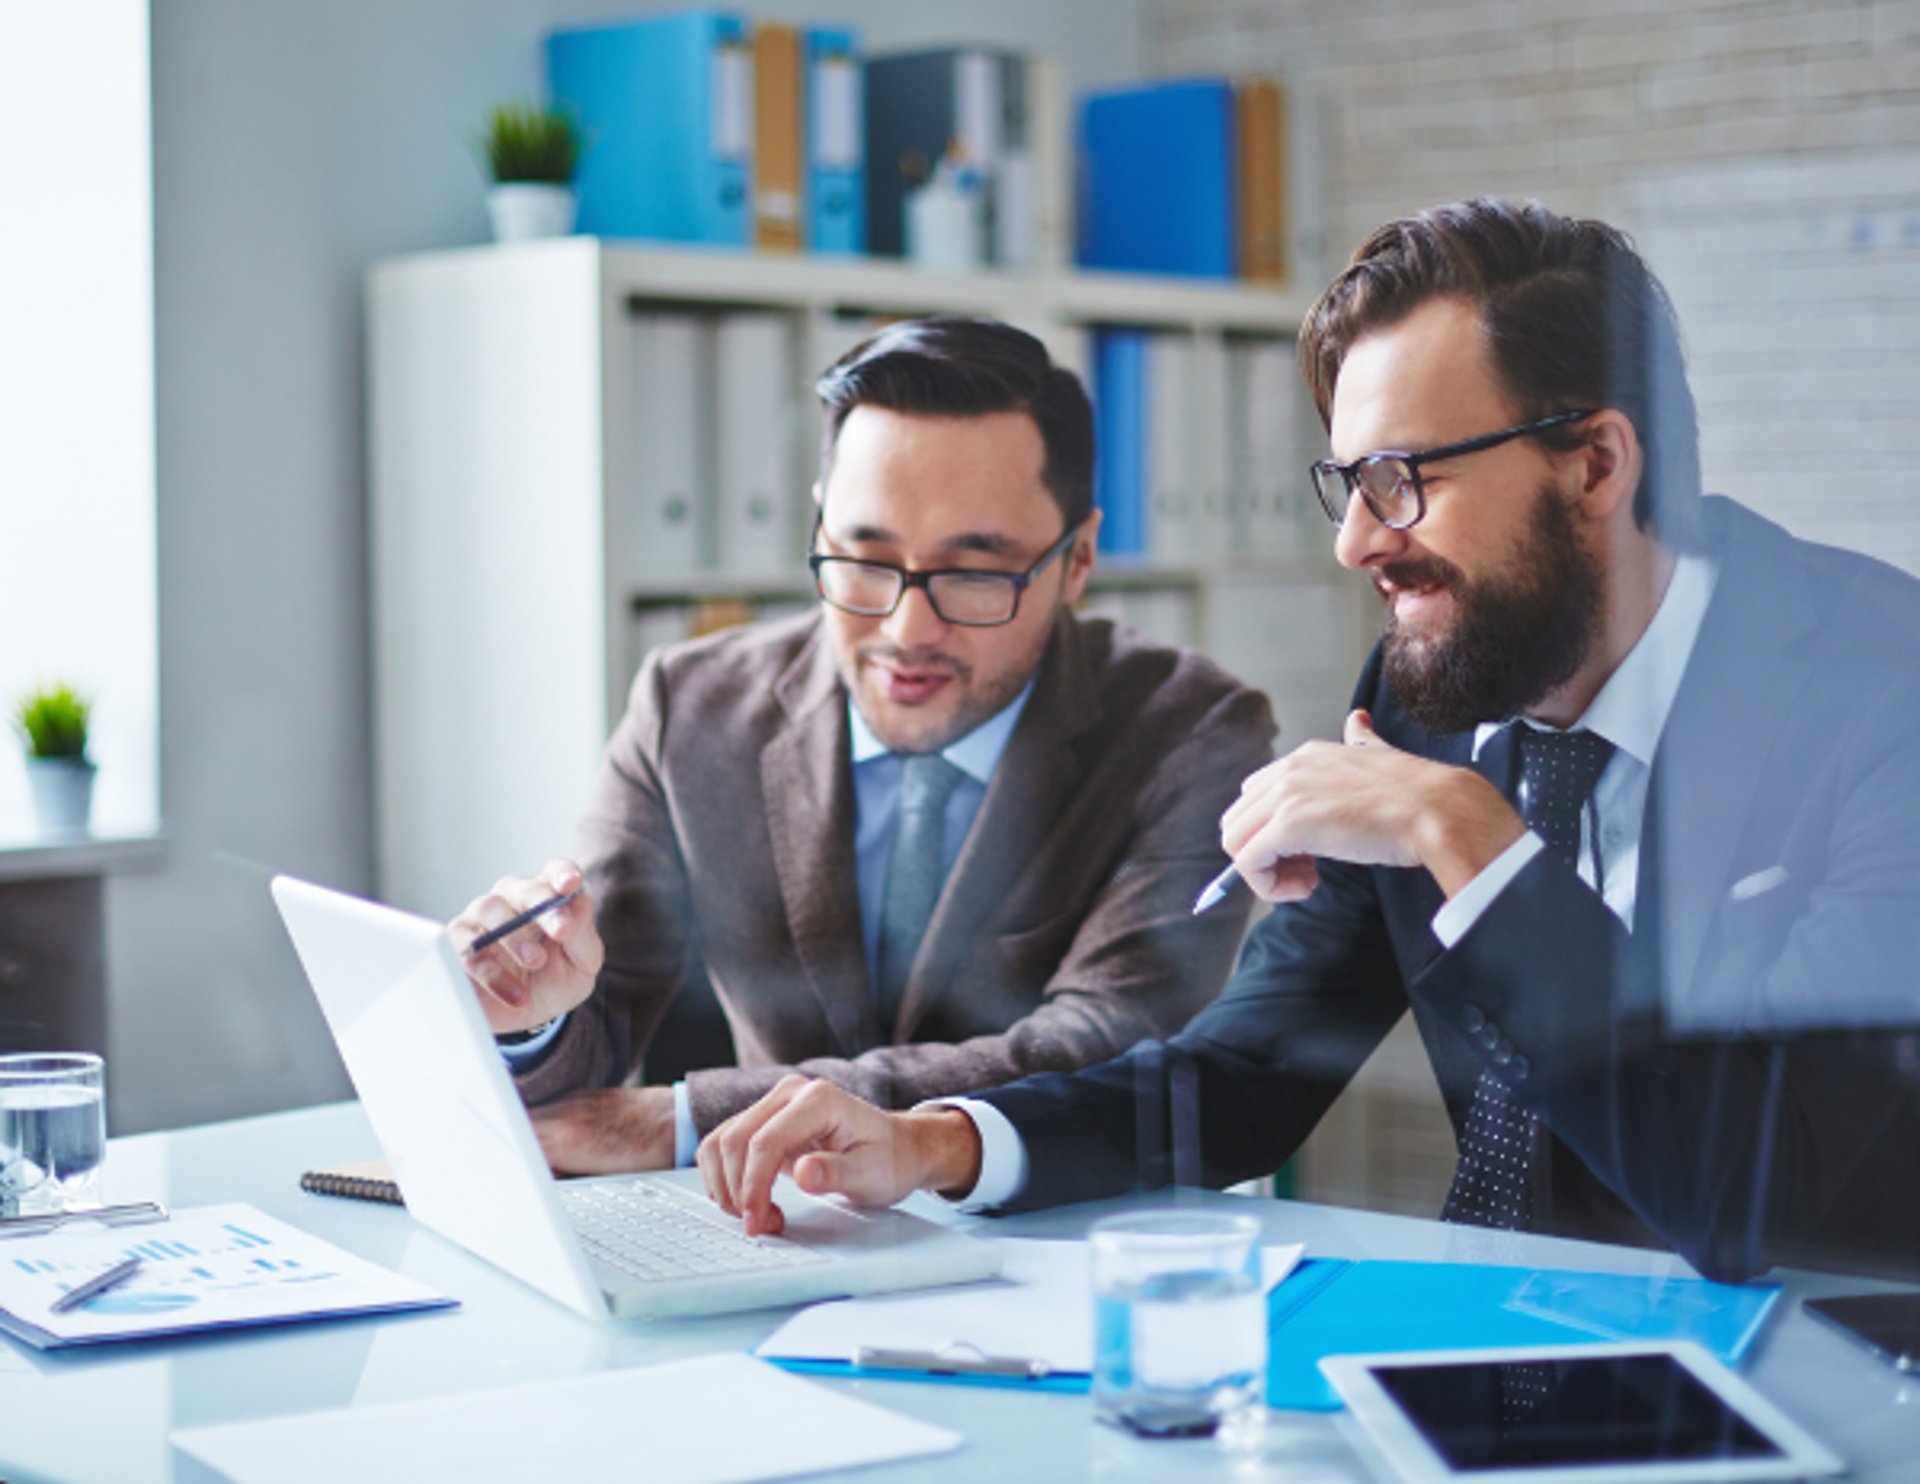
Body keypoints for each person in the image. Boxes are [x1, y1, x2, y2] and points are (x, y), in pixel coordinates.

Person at [698, 199, 1920, 1283]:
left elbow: (1755, 1190)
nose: (1358, 545)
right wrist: (939, 1141)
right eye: (1348, 486)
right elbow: (1242, 1074)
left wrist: (1470, 838)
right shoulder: (1423, 694)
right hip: (1510, 1349)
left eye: (1403, 478)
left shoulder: (1882, 692)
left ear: (1594, 462)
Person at [455, 317, 1277, 1175]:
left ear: (1078, 560)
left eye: (973, 573)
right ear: (818, 529)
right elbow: (598, 1016)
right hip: (770, 1234)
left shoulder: (1192, 732)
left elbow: (1106, 1046)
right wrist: (527, 1008)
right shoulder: (688, 709)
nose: (905, 629)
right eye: (864, 559)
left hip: (1057, 1241)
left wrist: (687, 1118)